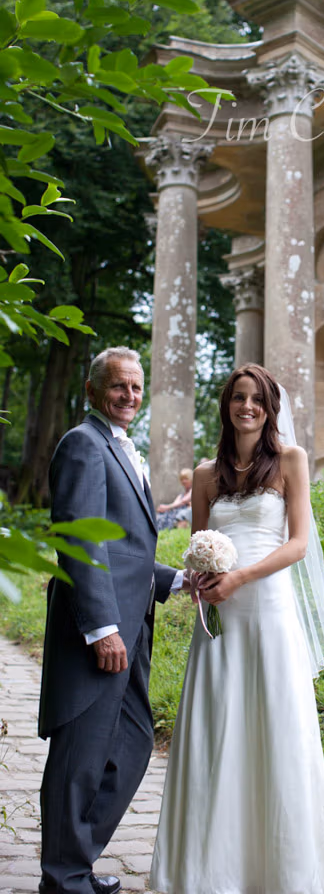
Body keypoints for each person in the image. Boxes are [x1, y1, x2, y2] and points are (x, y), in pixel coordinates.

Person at [150, 364, 324, 894]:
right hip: (219, 617)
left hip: (269, 610)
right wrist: (201, 577)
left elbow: (298, 543)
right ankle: (209, 873)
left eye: (257, 399)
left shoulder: (291, 460)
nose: (247, 407)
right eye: (238, 397)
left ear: (270, 407)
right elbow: (198, 544)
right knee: (217, 728)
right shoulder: (205, 474)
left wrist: (240, 576)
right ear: (226, 406)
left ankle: (282, 874)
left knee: (274, 727)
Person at [38, 347, 187, 894]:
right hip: (100, 630)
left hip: (135, 623)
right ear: (92, 390)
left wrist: (176, 580)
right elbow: (78, 540)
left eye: (136, 387)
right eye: (119, 386)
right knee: (81, 754)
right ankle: (63, 878)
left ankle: (73, 862)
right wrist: (101, 628)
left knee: (132, 741)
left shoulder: (122, 447)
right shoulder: (83, 443)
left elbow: (122, 547)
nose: (130, 396)